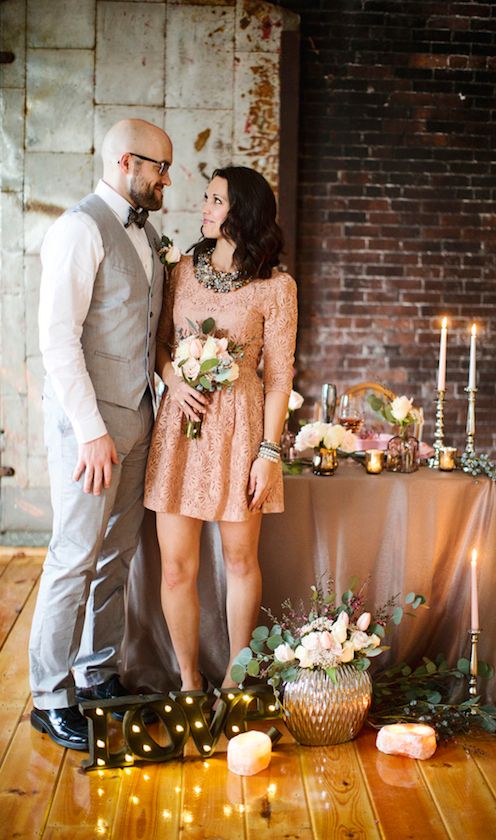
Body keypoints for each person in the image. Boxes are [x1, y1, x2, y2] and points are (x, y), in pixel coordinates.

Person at [29, 119, 201, 751]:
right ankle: (49, 697)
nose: (167, 178)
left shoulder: (150, 233)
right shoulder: (78, 228)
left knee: (117, 557)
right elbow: (57, 340)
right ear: (129, 162)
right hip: (89, 429)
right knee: (73, 556)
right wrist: (90, 432)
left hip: (140, 422)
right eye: (160, 167)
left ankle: (96, 671)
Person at [143, 166, 297, 692]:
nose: (204, 208)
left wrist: (268, 452)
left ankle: (235, 678)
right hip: (181, 427)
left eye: (215, 200)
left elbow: (278, 377)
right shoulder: (181, 269)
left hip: (240, 432)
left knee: (239, 559)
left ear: (243, 213)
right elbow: (160, 344)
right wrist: (172, 380)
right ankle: (188, 682)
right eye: (207, 199)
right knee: (175, 569)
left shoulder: (276, 288)